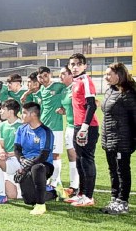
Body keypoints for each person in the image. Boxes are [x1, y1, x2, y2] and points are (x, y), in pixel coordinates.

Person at [99, 62, 136, 215]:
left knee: (122, 171)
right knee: (113, 170)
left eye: (109, 74)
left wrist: (132, 140)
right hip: (109, 139)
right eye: (105, 74)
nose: (106, 77)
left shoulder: (128, 94)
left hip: (122, 140)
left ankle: (123, 202)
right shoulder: (110, 91)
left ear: (119, 75)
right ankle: (115, 198)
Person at [65, 53, 99, 207]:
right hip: (78, 126)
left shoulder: (85, 81)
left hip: (88, 126)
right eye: (72, 64)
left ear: (85, 66)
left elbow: (92, 105)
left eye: (78, 64)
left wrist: (84, 127)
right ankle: (81, 193)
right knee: (79, 160)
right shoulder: (76, 81)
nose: (75, 67)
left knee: (86, 160)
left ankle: (89, 197)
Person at [13, 102, 55, 216]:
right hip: (26, 163)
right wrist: (22, 160)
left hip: (43, 165)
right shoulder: (21, 129)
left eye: (24, 113)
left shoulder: (45, 131)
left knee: (37, 168)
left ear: (33, 115)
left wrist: (25, 167)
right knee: (29, 200)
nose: (21, 115)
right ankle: (53, 192)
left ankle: (41, 205)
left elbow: (44, 155)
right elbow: (17, 149)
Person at [0, 99, 23, 204]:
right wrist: (1, 152)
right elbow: (0, 144)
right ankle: (2, 195)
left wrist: (8, 154)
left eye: (3, 109)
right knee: (12, 195)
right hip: (8, 160)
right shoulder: (2, 125)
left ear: (11, 112)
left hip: (20, 161)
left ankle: (3, 194)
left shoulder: (22, 126)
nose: (0, 112)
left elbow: (25, 149)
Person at [36, 66, 67, 188]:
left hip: (56, 127)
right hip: (43, 127)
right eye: (40, 77)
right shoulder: (42, 90)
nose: (43, 79)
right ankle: (53, 178)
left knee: (55, 154)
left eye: (45, 76)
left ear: (50, 74)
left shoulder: (59, 86)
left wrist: (64, 109)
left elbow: (69, 94)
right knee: (44, 154)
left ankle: (55, 181)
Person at [56, 65, 80, 195]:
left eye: (64, 73)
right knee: (71, 155)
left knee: (81, 157)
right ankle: (74, 186)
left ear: (71, 75)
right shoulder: (65, 90)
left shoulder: (77, 86)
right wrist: (63, 111)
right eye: (60, 74)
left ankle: (82, 187)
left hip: (80, 126)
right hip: (70, 126)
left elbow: (93, 103)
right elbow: (68, 107)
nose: (61, 76)